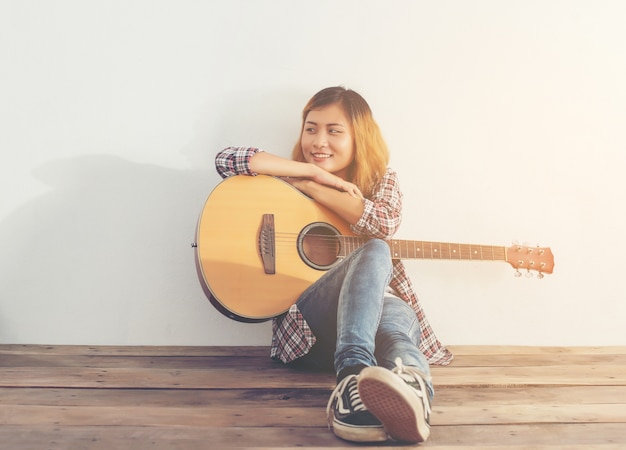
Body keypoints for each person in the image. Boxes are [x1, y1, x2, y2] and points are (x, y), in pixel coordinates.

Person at [215, 86, 452, 444]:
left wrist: (319, 189)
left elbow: (384, 223)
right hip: (312, 332)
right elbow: (226, 159)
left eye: (334, 131)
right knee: (375, 251)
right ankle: (351, 375)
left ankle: (412, 391)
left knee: (396, 326)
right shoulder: (282, 184)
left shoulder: (380, 181)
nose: (318, 140)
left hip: (378, 323)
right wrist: (315, 176)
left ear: (360, 137)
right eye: (311, 128)